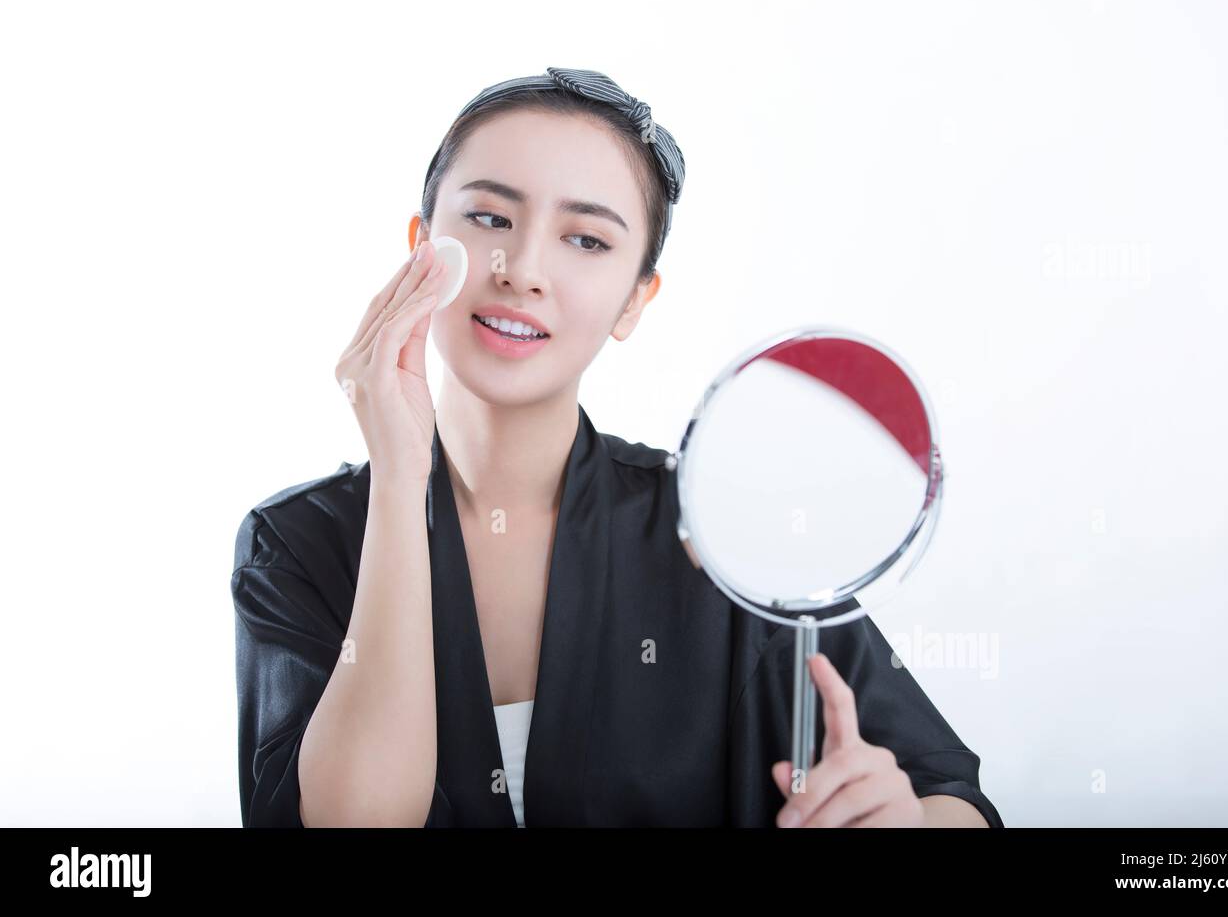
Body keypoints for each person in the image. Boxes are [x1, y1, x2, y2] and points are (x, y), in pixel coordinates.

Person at [231, 67, 1003, 828]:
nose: (522, 270)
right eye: (491, 220)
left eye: (586, 239)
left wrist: (905, 820)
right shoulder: (296, 543)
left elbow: (952, 798)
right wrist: (399, 483)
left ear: (636, 299)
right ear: (421, 248)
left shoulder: (727, 533)